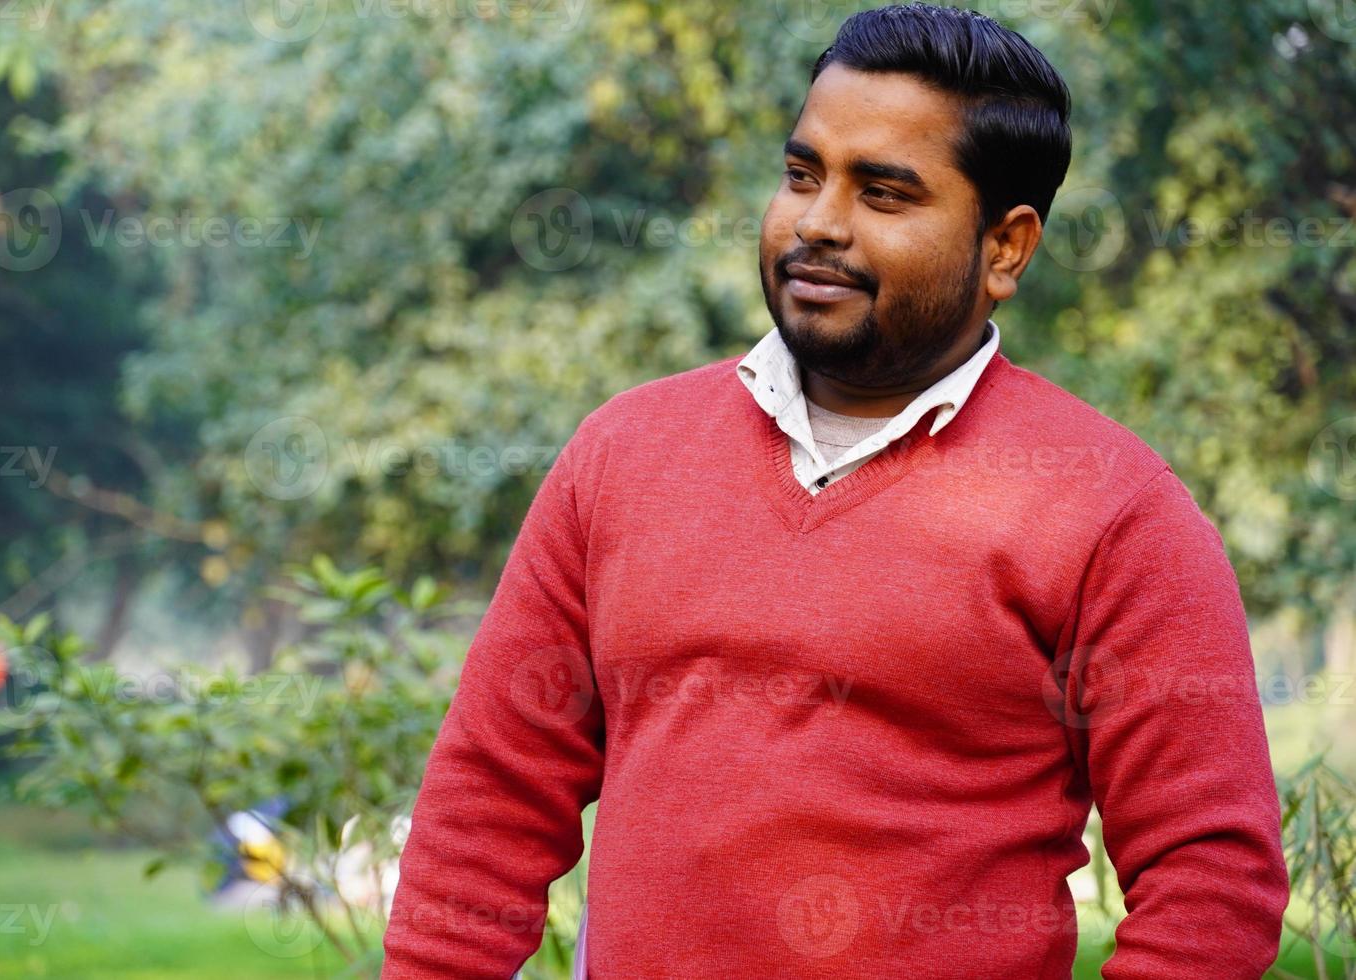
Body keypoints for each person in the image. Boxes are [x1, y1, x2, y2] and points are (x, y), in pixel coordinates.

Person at [379, 4, 1290, 977]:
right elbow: (489, 799)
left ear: (1007, 247)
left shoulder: (1110, 508)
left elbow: (1210, 879)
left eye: (884, 194)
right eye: (802, 174)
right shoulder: (623, 453)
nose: (816, 222)